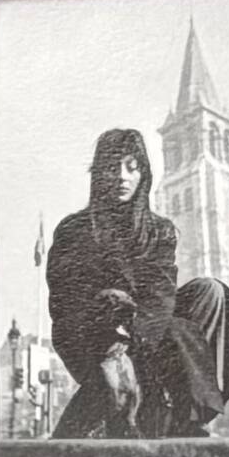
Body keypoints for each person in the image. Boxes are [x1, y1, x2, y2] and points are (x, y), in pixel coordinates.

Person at [41, 128, 173, 439]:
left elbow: (160, 295)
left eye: (132, 166)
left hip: (143, 336)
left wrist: (132, 337)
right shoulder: (73, 230)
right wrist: (108, 341)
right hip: (90, 336)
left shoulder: (159, 231)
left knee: (208, 294)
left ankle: (181, 416)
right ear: (99, 173)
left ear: (144, 173)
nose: (122, 177)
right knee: (109, 385)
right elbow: (64, 302)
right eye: (113, 167)